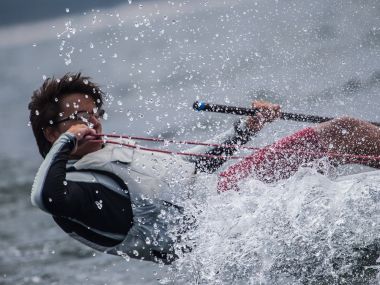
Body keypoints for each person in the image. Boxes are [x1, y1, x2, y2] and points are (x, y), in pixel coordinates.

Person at [28, 72, 272, 264]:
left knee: (310, 141)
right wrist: (67, 140)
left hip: (234, 202)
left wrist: (246, 128)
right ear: (51, 133)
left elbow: (191, 167)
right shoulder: (77, 192)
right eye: (80, 117)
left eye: (95, 114)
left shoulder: (107, 156)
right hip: (227, 236)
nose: (93, 122)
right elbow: (44, 198)